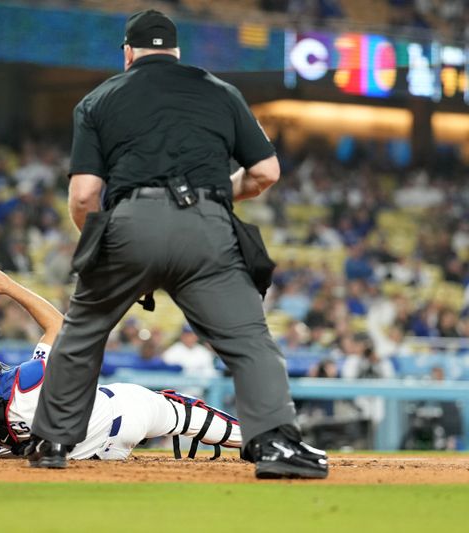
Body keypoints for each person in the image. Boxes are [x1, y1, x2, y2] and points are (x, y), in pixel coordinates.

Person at [28, 9, 328, 478]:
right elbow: (266, 172)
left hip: (130, 222)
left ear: (128, 53)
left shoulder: (98, 99)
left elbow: (85, 193)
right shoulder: (221, 91)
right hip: (206, 224)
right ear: (176, 51)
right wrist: (211, 194)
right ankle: (274, 445)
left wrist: (103, 242)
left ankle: (52, 442)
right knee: (250, 340)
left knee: (83, 331)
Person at [0, 264, 241, 461]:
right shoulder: (27, 383)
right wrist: (9, 286)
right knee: (181, 414)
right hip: (124, 413)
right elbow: (58, 327)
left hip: (98, 458)